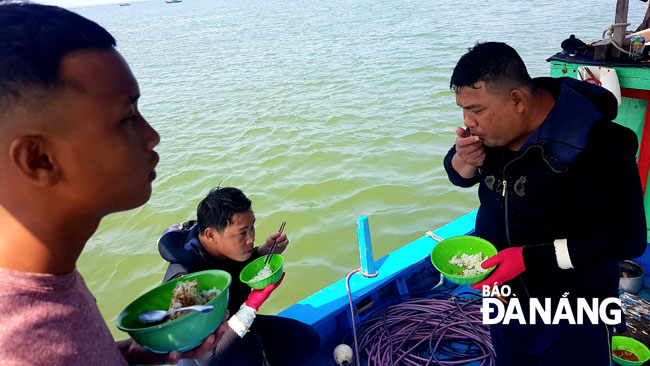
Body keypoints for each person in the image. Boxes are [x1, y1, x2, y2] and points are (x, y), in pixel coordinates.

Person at [0, 3, 234, 365]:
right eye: (127, 117)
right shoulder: (23, 349)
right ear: (39, 159)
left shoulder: (48, 278)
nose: (152, 136)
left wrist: (133, 357)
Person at [443, 42, 647, 365]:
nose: (469, 122)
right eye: (462, 109)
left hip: (575, 313)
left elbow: (628, 238)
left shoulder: (599, 144)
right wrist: (461, 161)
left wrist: (527, 259)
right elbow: (461, 172)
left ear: (517, 101)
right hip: (506, 302)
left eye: (476, 110)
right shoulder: (494, 131)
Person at [158, 186, 320, 366]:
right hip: (209, 355)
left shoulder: (215, 246)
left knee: (309, 341)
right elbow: (206, 357)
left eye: (252, 228)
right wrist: (252, 305)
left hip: (238, 321)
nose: (250, 239)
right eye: (242, 233)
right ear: (211, 234)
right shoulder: (184, 283)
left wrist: (263, 251)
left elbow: (234, 266)